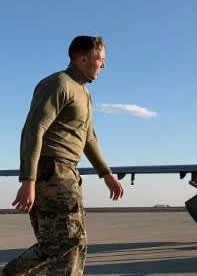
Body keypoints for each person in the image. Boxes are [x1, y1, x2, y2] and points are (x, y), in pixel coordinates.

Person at [2, 36, 124, 276]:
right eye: (100, 59)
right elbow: (33, 130)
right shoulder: (59, 84)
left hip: (65, 171)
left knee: (53, 244)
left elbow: (89, 139)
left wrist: (106, 174)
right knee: (71, 243)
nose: (104, 65)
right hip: (53, 171)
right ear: (82, 58)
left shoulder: (84, 93)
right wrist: (28, 180)